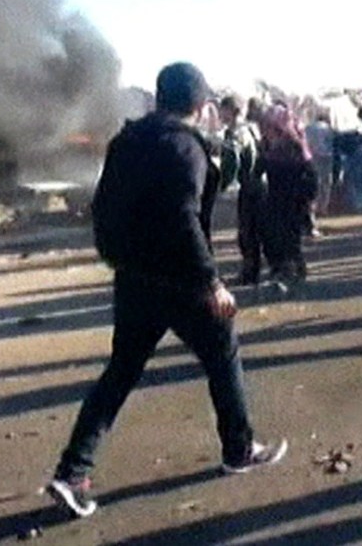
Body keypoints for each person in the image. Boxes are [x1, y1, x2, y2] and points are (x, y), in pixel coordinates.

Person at [48, 63, 287, 518]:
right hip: (181, 281)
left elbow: (104, 204)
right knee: (223, 354)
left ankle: (72, 472)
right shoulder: (184, 148)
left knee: (120, 372)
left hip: (133, 277)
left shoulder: (126, 141)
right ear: (199, 104)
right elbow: (184, 219)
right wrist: (211, 282)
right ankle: (238, 449)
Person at [259, 104, 318, 283]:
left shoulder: (294, 145)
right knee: (273, 235)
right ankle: (281, 268)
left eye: (269, 126)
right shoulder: (267, 145)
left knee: (290, 237)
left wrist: (308, 198)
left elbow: (310, 172)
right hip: (275, 198)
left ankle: (294, 269)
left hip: (293, 199)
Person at [220, 96, 266, 285]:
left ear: (231, 111)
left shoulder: (234, 132)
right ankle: (256, 270)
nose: (221, 114)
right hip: (261, 183)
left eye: (223, 110)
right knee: (257, 230)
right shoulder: (252, 128)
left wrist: (223, 183)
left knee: (247, 232)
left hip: (248, 186)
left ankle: (250, 273)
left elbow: (232, 159)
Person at [305, 109, 336, 218]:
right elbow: (331, 142)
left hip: (313, 156)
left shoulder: (308, 127)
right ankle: (323, 208)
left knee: (316, 181)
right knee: (326, 182)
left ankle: (313, 206)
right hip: (326, 156)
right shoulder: (327, 128)